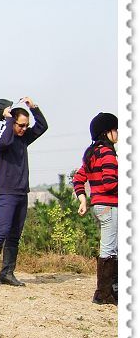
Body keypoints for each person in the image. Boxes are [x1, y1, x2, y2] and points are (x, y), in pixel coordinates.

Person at [0, 98, 48, 286]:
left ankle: (7, 273)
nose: (24, 129)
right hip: (5, 192)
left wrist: (33, 108)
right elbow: (4, 142)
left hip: (21, 192)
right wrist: (8, 119)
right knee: (2, 230)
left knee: (15, 235)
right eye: (20, 125)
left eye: (26, 126)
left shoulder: (23, 138)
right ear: (11, 121)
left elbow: (43, 126)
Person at [72, 112, 118, 305]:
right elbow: (109, 183)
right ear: (107, 132)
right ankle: (103, 294)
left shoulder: (91, 153)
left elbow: (77, 179)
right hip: (110, 205)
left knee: (112, 247)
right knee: (109, 248)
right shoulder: (107, 152)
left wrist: (83, 200)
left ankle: (112, 291)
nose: (118, 133)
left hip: (99, 206)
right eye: (116, 129)